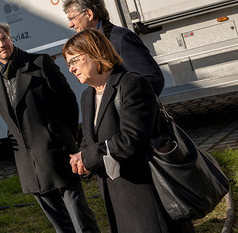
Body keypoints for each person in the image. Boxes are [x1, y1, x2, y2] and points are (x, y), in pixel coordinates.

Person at [63, 29, 194, 233]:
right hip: (116, 197)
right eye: (68, 63)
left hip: (146, 194)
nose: (71, 69)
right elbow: (90, 140)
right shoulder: (87, 96)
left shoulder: (131, 84)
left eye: (75, 61)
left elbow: (132, 139)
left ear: (94, 52)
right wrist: (81, 159)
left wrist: (88, 156)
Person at [0, 23, 100, 233]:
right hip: (29, 165)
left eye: (4, 38)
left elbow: (69, 103)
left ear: (11, 38)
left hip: (57, 153)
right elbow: (10, 120)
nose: (2, 44)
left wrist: (63, 137)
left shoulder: (39, 63)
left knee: (81, 220)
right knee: (60, 226)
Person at [63, 0, 164, 95]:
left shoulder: (121, 38)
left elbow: (152, 78)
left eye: (72, 18)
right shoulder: (88, 45)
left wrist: (130, 106)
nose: (70, 25)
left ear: (89, 14)